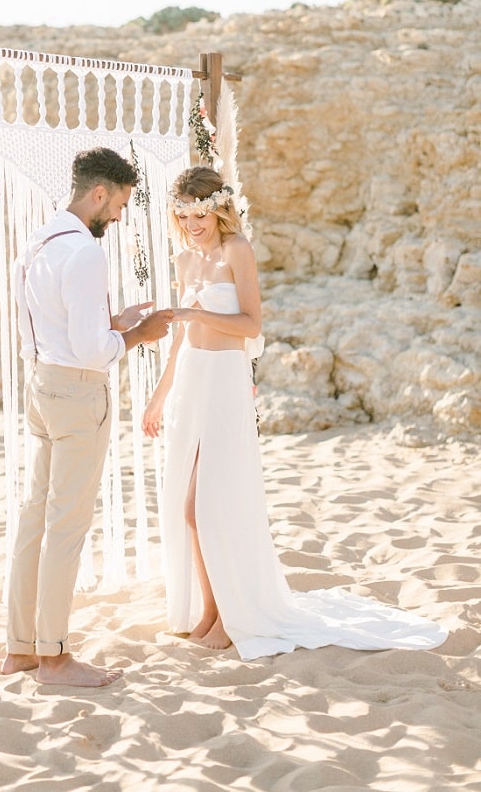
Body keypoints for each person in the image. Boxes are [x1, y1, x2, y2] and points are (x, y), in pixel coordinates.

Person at [142, 165, 448, 661]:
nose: (194, 222)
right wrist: (160, 396)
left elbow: (251, 323)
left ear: (218, 208)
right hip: (192, 382)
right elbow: (178, 340)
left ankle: (231, 614)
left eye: (201, 212)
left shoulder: (237, 250)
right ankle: (210, 610)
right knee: (188, 506)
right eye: (184, 213)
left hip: (224, 381)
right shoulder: (183, 260)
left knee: (211, 504)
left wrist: (198, 314)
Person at [1, 146, 173, 687]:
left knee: (34, 520)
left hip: (41, 387)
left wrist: (111, 320)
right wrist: (138, 335)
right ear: (99, 193)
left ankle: (19, 650)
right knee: (67, 526)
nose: (119, 216)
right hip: (77, 395)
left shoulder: (37, 241)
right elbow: (93, 351)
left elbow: (55, 325)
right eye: (119, 204)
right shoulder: (85, 251)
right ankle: (54, 657)